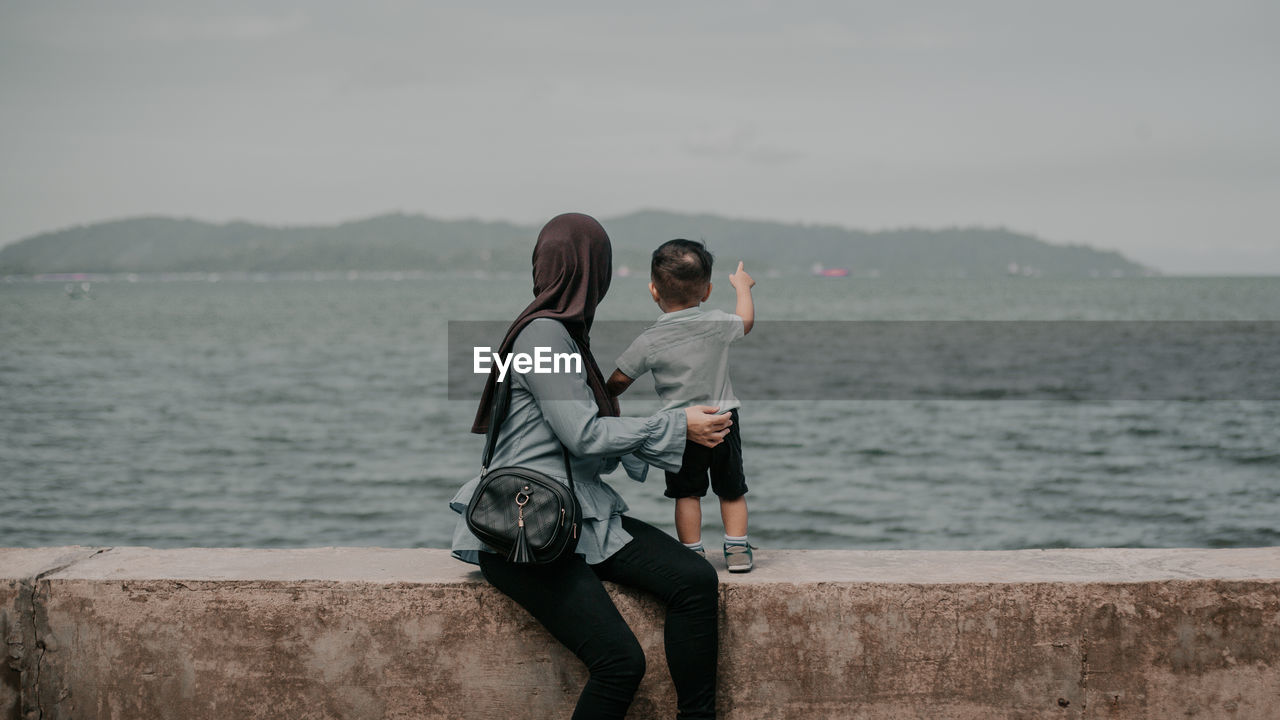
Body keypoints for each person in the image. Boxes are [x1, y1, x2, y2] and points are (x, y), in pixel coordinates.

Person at [448, 213, 733, 720]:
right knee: (619, 663)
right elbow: (582, 434)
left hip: (574, 517)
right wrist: (673, 426)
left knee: (694, 581)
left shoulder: (563, 336)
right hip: (527, 529)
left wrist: (672, 431)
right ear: (589, 271)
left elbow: (585, 448)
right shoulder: (543, 338)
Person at [605, 239, 756, 572]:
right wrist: (743, 287)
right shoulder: (717, 323)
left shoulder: (649, 340)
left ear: (653, 291)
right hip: (724, 419)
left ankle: (692, 552)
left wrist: (607, 398)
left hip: (681, 426)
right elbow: (745, 320)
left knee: (687, 494)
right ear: (707, 291)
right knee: (731, 489)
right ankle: (737, 550)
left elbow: (618, 380)